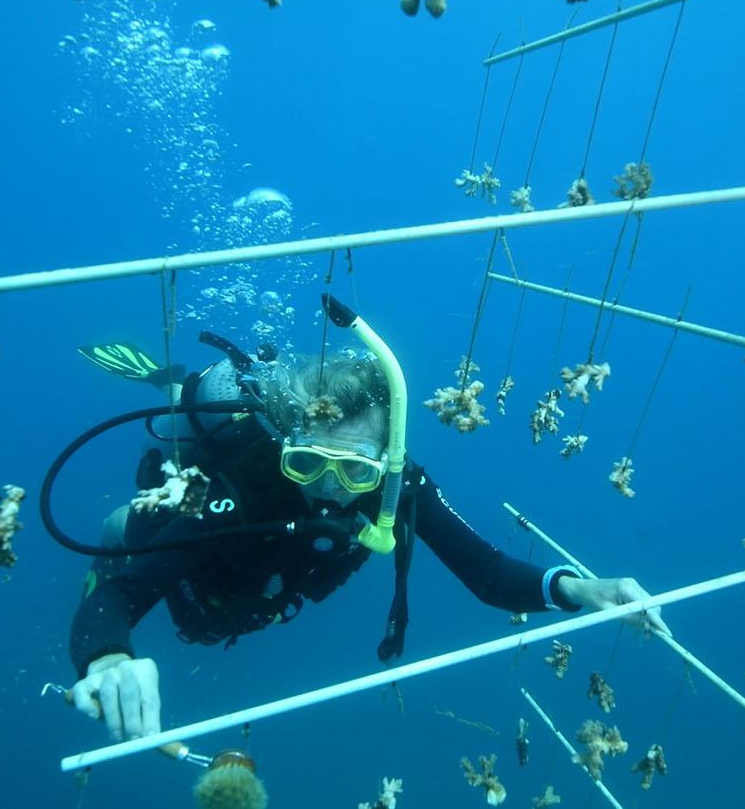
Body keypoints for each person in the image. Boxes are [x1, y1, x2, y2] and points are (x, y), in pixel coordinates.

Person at [64, 318, 666, 743]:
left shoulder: (397, 486)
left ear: (385, 460)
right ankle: (175, 387)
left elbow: (485, 572)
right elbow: (125, 593)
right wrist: (109, 655)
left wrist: (580, 590)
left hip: (256, 599)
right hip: (202, 582)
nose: (328, 488)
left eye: (353, 470)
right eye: (308, 463)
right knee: (133, 528)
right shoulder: (243, 482)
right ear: (284, 446)